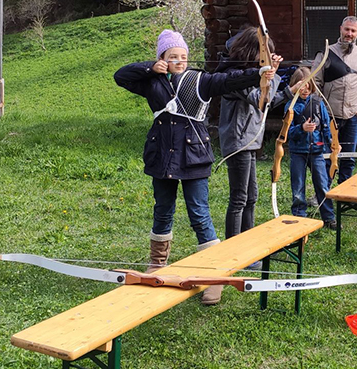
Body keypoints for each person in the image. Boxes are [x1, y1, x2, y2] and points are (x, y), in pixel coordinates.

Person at [113, 29, 278, 305]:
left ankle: (213, 277)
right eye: (172, 56)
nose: (179, 60)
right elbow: (121, 76)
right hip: (162, 155)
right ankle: (157, 264)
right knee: (162, 210)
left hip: (193, 155)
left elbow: (227, 80)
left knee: (199, 213)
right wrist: (149, 68)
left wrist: (261, 72)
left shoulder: (199, 81)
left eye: (183, 56)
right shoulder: (152, 82)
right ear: (162, 59)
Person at [217, 27, 290, 241]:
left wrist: (288, 90)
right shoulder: (235, 75)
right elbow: (261, 99)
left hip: (249, 140)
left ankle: (246, 244)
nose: (265, 58)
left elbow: (265, 101)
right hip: (238, 141)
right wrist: (273, 75)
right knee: (239, 198)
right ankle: (233, 247)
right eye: (263, 53)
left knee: (251, 197)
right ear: (252, 51)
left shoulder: (248, 74)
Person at [314, 16, 357, 183]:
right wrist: (322, 110)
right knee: (326, 157)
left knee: (349, 158)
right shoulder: (326, 52)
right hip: (329, 115)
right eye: (347, 29)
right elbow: (315, 83)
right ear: (341, 29)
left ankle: (344, 193)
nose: (349, 33)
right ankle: (323, 194)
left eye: (353, 31)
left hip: (353, 115)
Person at [286, 67, 336, 229]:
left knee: (322, 185)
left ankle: (328, 217)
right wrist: (302, 128)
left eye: (308, 87)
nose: (305, 90)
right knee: (298, 187)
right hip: (298, 152)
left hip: (317, 151)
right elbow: (286, 132)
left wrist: (332, 142)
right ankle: (300, 218)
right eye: (301, 87)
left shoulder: (318, 103)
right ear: (295, 86)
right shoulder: (291, 105)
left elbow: (326, 126)